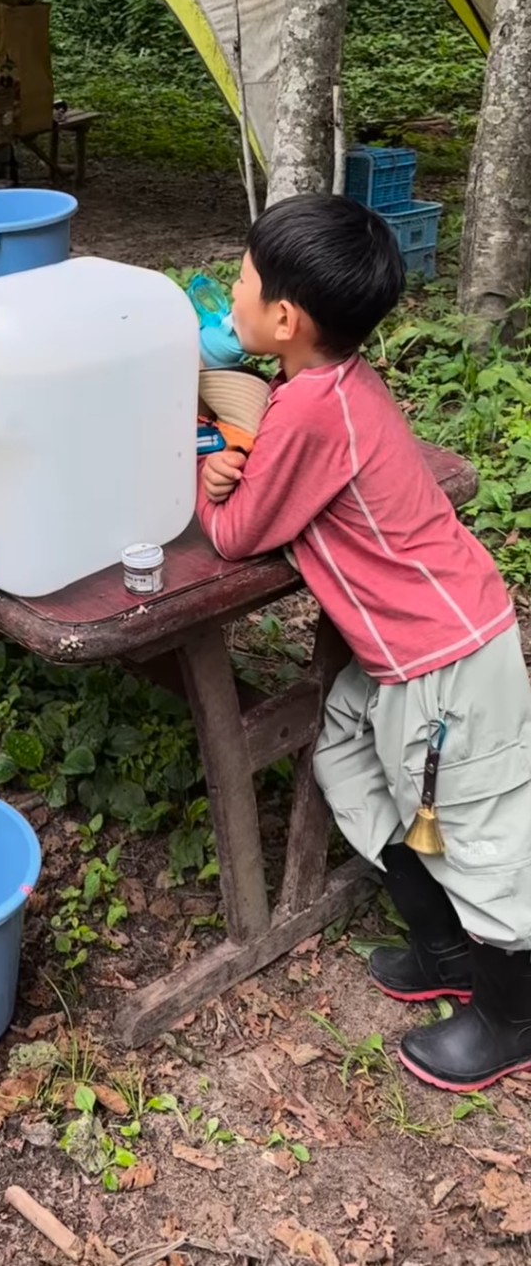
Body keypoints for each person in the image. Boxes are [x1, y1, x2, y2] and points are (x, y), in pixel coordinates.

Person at [198, 192, 531, 1094]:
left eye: (241, 279)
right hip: (410, 659)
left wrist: (208, 480)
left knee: (484, 836)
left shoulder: (310, 410)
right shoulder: (326, 385)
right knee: (343, 749)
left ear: (284, 317)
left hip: (449, 661)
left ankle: (510, 1016)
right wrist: (235, 460)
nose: (229, 294)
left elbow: (234, 535)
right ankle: (444, 944)